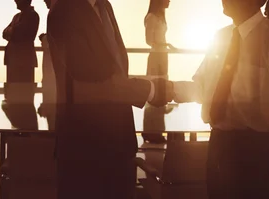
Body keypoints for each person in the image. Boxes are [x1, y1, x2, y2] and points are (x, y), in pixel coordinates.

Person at [47, 0, 175, 198]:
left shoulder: (104, 6)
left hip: (119, 142)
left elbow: (116, 67)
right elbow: (88, 82)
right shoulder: (63, 11)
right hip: (85, 146)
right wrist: (150, 90)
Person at [182, 0, 269, 198]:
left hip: (255, 152)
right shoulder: (220, 37)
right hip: (218, 144)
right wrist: (161, 90)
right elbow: (201, 86)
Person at [143, 0, 175, 144]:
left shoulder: (160, 17)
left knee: (161, 89)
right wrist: (165, 45)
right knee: (156, 90)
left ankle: (157, 130)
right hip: (157, 57)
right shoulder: (151, 18)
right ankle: (151, 131)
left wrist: (166, 46)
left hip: (162, 55)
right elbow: (149, 40)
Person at [3, 0, 39, 84]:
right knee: (12, 90)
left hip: (24, 60)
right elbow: (4, 33)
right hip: (13, 59)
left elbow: (18, 33)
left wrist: (12, 31)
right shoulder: (16, 16)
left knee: (24, 90)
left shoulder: (33, 15)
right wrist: (13, 31)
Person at [37, 0, 56, 130]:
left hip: (53, 78)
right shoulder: (55, 12)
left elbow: (52, 43)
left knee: (54, 122)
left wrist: (44, 38)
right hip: (51, 77)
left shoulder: (57, 13)